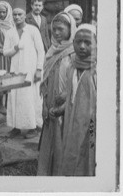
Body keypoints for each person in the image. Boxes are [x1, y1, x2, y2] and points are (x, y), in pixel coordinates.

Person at [37, 11, 77, 176]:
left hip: (67, 107)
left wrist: (68, 95)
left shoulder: (75, 53)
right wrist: (45, 103)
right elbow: (45, 81)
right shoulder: (51, 51)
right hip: (50, 105)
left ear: (71, 30)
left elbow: (81, 83)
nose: (57, 32)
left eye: (61, 29)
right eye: (54, 29)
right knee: (49, 141)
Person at [3, 0, 45, 139]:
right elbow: (5, 52)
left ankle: (33, 127)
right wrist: (15, 48)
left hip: (31, 69)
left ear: (24, 15)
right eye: (14, 14)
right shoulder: (9, 32)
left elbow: (41, 51)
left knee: (30, 97)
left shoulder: (32, 30)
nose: (17, 17)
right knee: (15, 97)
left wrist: (39, 69)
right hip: (15, 69)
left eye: (20, 14)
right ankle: (15, 126)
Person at [58, 24, 96, 176]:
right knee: (72, 153)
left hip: (91, 125)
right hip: (72, 121)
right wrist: (60, 109)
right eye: (78, 42)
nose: (82, 46)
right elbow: (73, 96)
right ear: (73, 42)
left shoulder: (97, 71)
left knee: (88, 156)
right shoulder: (71, 67)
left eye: (88, 42)